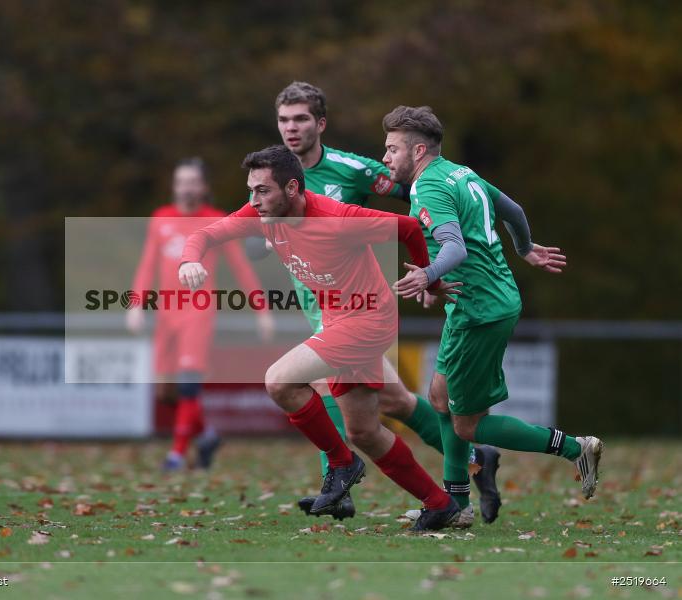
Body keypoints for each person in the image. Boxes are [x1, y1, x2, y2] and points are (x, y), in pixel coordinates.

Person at [179, 145, 464, 531]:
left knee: (279, 380)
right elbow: (207, 235)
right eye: (251, 190)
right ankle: (439, 503)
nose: (254, 201)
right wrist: (190, 260)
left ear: (292, 188)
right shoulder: (263, 214)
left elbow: (409, 228)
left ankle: (342, 465)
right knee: (363, 430)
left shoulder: (337, 216)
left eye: (262, 190)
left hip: (368, 320)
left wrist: (429, 278)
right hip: (338, 322)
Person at [263, 81, 500, 525]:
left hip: (353, 307)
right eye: (283, 119)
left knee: (313, 384)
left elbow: (419, 196)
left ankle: (341, 485)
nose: (291, 128)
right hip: (318, 302)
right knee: (393, 401)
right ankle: (474, 461)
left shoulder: (351, 169)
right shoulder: (276, 176)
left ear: (321, 124)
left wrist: (433, 266)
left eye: (300, 119)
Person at [382, 105, 603, 530]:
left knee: (468, 425)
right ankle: (455, 503)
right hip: (480, 301)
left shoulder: (427, 187)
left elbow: (455, 250)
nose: (387, 157)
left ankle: (575, 448)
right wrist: (524, 248)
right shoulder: (460, 172)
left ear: (419, 149)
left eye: (392, 149)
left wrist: (426, 275)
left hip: (477, 310)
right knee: (440, 398)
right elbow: (514, 210)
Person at [128, 158, 273, 471]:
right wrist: (136, 304)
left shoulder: (216, 221)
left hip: (198, 312)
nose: (186, 188)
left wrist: (261, 310)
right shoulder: (160, 219)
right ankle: (206, 436)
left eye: (193, 182)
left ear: (204, 187)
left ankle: (176, 455)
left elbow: (240, 267)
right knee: (166, 392)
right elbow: (147, 265)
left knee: (188, 385)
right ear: (174, 186)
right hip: (166, 314)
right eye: (181, 182)